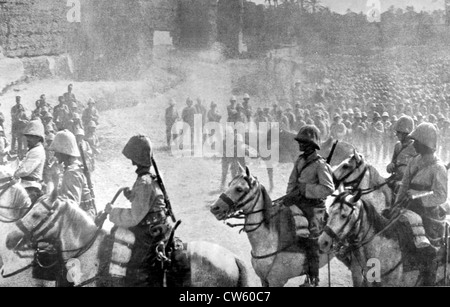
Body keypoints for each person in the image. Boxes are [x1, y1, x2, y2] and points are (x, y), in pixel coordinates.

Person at [104, 135, 173, 287]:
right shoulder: (153, 177)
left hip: (148, 232)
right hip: (160, 225)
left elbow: (134, 217)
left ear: (136, 158)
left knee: (132, 267)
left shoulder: (144, 182)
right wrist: (132, 196)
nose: (132, 162)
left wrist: (112, 212)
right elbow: (148, 203)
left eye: (132, 158)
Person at [395, 123, 448, 286]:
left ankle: (428, 279)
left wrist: (419, 197)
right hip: (407, 207)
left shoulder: (438, 168)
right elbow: (404, 185)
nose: (414, 144)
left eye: (417, 141)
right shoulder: (414, 161)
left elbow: (441, 196)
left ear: (425, 144)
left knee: (427, 250)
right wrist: (397, 203)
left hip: (428, 214)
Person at [285, 125, 334, 287]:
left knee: (312, 241)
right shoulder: (299, 160)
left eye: (303, 142)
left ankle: (313, 279)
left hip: (315, 208)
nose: (300, 144)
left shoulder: (321, 165)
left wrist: (306, 190)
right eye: (299, 141)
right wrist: (289, 196)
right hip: (298, 203)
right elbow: (292, 181)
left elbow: (328, 188)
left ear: (312, 144)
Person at [49, 130, 96, 219]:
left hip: (83, 217)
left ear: (64, 152)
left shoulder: (72, 172)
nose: (55, 154)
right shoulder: (73, 168)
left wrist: (55, 184)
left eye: (57, 151)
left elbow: (72, 206)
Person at [13, 120, 46, 204]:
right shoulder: (33, 149)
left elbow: (25, 171)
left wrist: (14, 174)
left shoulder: (37, 151)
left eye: (31, 136)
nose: (28, 139)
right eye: (28, 136)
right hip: (25, 184)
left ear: (38, 138)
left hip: (31, 187)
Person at [386, 116, 417, 196]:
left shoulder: (416, 147)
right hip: (395, 178)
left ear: (406, 133)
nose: (396, 134)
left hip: (409, 183)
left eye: (398, 132)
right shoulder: (397, 146)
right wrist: (390, 166)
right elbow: (392, 162)